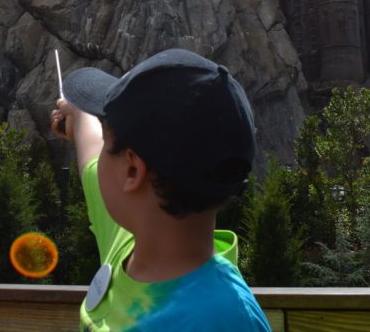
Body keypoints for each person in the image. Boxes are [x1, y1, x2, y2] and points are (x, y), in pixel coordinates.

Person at [51, 48, 271, 331]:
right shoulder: (136, 233)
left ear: (133, 170)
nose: (99, 154)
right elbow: (89, 141)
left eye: (107, 142)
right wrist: (75, 111)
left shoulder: (230, 322)